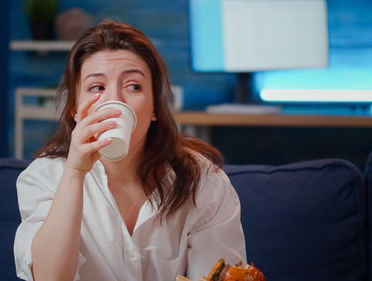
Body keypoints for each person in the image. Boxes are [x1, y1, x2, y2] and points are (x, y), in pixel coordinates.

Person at [13, 19, 246, 281]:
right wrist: (75, 172)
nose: (114, 100)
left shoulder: (204, 182)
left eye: (133, 86)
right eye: (97, 87)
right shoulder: (44, 178)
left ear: (156, 107)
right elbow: (48, 278)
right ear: (75, 110)